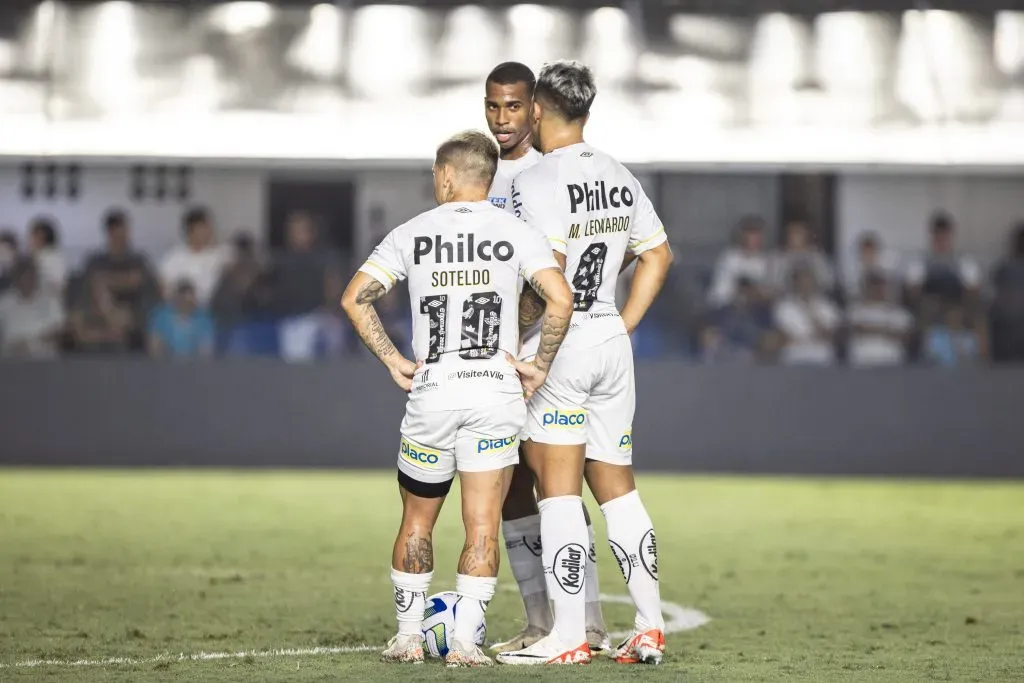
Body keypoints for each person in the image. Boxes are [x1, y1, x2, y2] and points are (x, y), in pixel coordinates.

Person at [340, 131, 573, 668]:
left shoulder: (414, 232)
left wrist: (394, 359)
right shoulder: (517, 232)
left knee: (417, 522)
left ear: (446, 176)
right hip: (494, 395)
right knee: (484, 524)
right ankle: (465, 643)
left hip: (434, 396)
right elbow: (559, 299)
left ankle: (407, 637)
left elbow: (355, 298)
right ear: (487, 178)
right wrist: (537, 365)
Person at [497, 61, 674, 667]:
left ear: (538, 112)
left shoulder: (535, 182)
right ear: (588, 113)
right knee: (619, 490)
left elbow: (545, 275)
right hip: (609, 343)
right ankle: (649, 628)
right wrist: (622, 324)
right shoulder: (620, 175)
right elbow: (658, 255)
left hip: (563, 343)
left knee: (558, 492)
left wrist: (528, 338)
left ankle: (569, 634)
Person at [481, 60, 610, 655]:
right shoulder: (477, 175)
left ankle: (584, 620)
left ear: (535, 107)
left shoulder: (551, 172)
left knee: (557, 482)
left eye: (514, 107)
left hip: (545, 355)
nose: (503, 119)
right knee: (505, 486)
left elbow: (599, 256)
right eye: (493, 107)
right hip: (490, 356)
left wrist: (580, 317)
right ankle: (538, 619)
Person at [0, 257, 65, 358]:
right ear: (16, 279)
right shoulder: (4, 303)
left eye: (31, 276)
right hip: (11, 364)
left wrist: (33, 342)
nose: (28, 281)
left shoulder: (50, 301)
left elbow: (62, 331)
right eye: (24, 277)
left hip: (45, 363)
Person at [147, 280, 215, 358]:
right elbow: (154, 344)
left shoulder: (203, 318)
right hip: (165, 364)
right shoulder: (161, 315)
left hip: (194, 365)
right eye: (183, 300)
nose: (186, 304)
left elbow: (206, 348)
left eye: (190, 301)